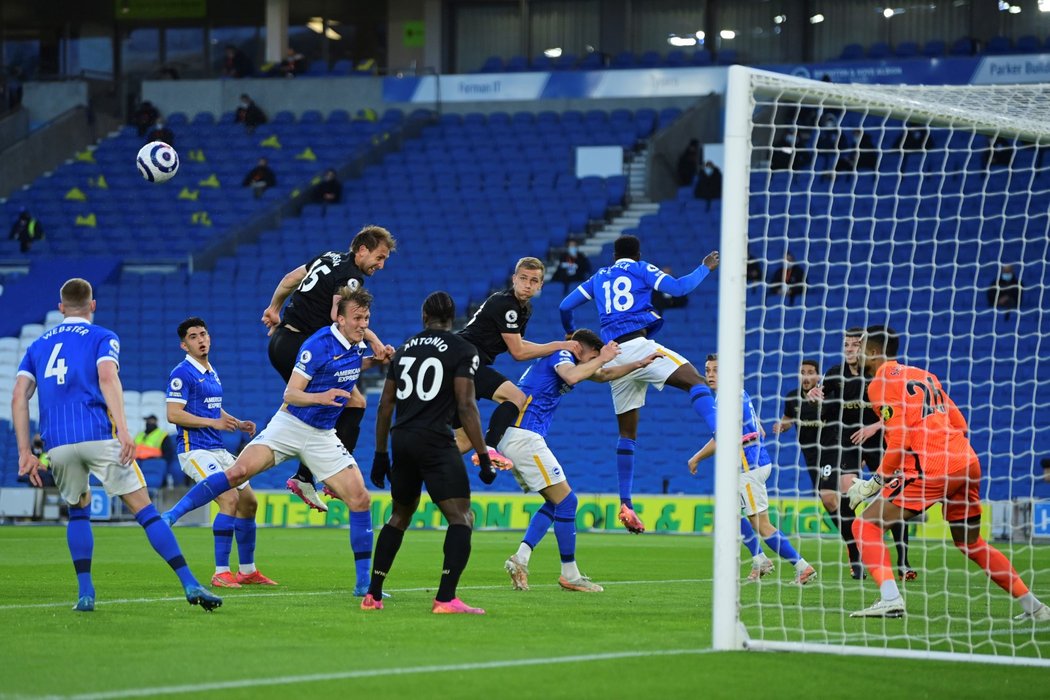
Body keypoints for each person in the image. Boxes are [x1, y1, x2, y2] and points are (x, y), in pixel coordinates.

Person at [163, 288, 390, 597]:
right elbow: (291, 394)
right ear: (339, 318)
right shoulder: (317, 345)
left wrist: (377, 356)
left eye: (366, 318)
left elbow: (350, 365)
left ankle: (364, 585)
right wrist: (320, 397)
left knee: (360, 499)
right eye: (357, 318)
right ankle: (171, 516)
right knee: (238, 473)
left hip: (322, 435)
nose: (363, 324)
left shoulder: (357, 343)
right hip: (290, 424)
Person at [13, 278, 221, 613]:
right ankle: (189, 582)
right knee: (146, 512)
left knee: (78, 511)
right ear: (92, 305)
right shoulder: (102, 336)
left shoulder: (36, 346)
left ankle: (85, 593)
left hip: (58, 443)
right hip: (98, 434)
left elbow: (18, 397)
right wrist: (124, 430)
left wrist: (25, 452)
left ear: (60, 307)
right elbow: (108, 377)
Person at [847, 325, 1049, 620]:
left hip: (933, 468)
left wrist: (876, 480)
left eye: (861, 347)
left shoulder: (879, 383)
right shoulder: (925, 376)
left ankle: (890, 599)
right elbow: (961, 424)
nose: (856, 354)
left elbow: (900, 436)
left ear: (875, 352)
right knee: (971, 542)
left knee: (864, 526)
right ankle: (1036, 608)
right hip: (966, 462)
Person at [559, 234, 720, 533]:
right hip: (639, 346)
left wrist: (570, 334)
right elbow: (680, 287)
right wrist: (705, 267)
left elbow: (565, 306)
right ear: (637, 253)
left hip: (613, 357)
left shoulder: (598, 278)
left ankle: (626, 504)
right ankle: (718, 429)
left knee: (627, 434)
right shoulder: (641, 269)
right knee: (696, 382)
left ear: (614, 255)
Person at [364, 291, 496, 613]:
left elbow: (385, 405)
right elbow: (466, 405)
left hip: (402, 439)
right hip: (436, 441)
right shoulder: (463, 350)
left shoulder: (405, 348)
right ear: (451, 319)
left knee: (399, 515)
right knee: (461, 517)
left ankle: (373, 595)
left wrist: (381, 454)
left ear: (425, 316)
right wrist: (485, 456)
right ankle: (446, 598)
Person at [500, 329, 660, 593]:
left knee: (556, 503)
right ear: (579, 348)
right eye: (594, 356)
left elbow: (603, 374)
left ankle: (521, 559)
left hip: (520, 436)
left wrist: (638, 364)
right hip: (524, 436)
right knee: (568, 501)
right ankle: (569, 574)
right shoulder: (562, 353)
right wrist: (604, 356)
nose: (596, 362)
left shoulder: (570, 360)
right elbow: (572, 375)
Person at [262, 225, 396, 512]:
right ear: (362, 250)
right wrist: (374, 340)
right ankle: (317, 476)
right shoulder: (351, 278)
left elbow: (289, 279)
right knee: (351, 402)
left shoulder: (329, 257)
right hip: (298, 345)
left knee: (308, 406)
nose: (381, 265)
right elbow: (340, 318)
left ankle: (303, 474)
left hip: (283, 340)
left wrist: (274, 308)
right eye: (379, 257)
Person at [166, 316, 277, 588]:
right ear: (184, 345)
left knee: (249, 502)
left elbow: (213, 408)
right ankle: (220, 572)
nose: (201, 340)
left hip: (217, 447)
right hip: (195, 450)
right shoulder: (182, 373)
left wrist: (235, 423)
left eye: (203, 334)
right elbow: (173, 414)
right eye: (193, 337)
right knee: (229, 499)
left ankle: (247, 570)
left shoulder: (210, 371)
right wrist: (213, 422)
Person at [687, 354, 817, 585]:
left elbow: (722, 437)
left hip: (748, 466)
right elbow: (760, 429)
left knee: (761, 524)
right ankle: (759, 559)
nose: (710, 375)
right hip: (753, 460)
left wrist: (696, 458)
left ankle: (802, 566)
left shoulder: (726, 398)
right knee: (730, 512)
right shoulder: (740, 393)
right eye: (707, 370)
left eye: (716, 370)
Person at [455, 257, 580, 469]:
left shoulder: (524, 309)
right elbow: (518, 353)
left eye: (533, 280)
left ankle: (419, 463)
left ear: (540, 284)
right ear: (514, 279)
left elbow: (516, 342)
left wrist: (552, 346)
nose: (527, 284)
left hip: (462, 363)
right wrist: (559, 345)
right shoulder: (507, 305)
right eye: (523, 278)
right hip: (465, 360)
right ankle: (490, 448)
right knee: (517, 397)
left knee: (464, 441)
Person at [807, 328, 912, 580]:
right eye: (847, 344)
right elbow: (817, 394)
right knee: (844, 491)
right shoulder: (835, 374)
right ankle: (855, 555)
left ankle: (904, 561)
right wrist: (812, 394)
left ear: (865, 348)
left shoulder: (875, 373)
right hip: (848, 440)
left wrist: (875, 426)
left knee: (894, 493)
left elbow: (897, 410)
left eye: (855, 345)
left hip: (878, 436)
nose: (850, 349)